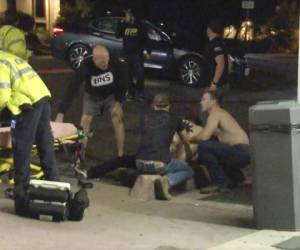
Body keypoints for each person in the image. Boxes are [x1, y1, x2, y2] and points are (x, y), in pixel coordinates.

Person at [75, 93, 194, 200]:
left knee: (120, 161)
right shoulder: (175, 118)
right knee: (188, 170)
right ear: (168, 106)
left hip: (140, 162)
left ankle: (89, 173)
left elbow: (152, 135)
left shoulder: (145, 117)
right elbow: (186, 141)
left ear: (153, 105)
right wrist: (188, 154)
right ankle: (168, 181)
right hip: (160, 164)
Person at [0, 50, 59, 215]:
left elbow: (3, 96)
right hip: (43, 99)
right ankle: (55, 189)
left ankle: (21, 197)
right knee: (45, 146)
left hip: (26, 107)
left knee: (21, 149)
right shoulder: (9, 58)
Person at [56, 45, 125, 157]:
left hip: (111, 94)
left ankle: (120, 154)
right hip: (92, 96)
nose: (105, 64)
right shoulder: (85, 66)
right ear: (94, 60)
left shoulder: (115, 62)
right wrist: (61, 113)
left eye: (106, 61)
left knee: (118, 118)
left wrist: (118, 102)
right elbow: (72, 88)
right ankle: (81, 152)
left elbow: (123, 83)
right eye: (102, 63)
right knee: (85, 121)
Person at [191, 89, 250, 193]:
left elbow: (204, 136)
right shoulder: (221, 113)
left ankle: (218, 182)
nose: (201, 102)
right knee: (216, 150)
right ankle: (237, 179)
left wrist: (190, 139)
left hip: (240, 151)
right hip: (243, 151)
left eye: (204, 99)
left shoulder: (216, 113)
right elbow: (208, 132)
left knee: (204, 147)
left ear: (213, 101)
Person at [116, 8, 149, 101]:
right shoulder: (124, 25)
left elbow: (145, 39)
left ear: (132, 16)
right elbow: (117, 35)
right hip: (127, 54)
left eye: (128, 14)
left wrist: (148, 51)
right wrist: (123, 23)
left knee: (140, 74)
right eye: (126, 14)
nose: (126, 16)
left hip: (137, 54)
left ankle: (140, 92)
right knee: (128, 75)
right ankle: (131, 93)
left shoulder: (140, 25)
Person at [205, 19, 228, 92]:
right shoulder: (222, 43)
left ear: (210, 29)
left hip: (216, 85)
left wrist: (214, 83)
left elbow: (220, 64)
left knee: (207, 103)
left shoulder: (215, 44)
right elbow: (229, 61)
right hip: (223, 83)